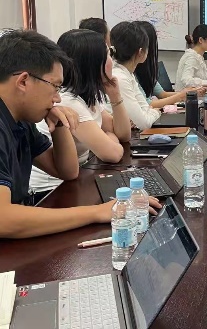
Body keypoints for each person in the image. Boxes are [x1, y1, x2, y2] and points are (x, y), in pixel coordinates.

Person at [0, 30, 160, 239]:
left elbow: (67, 171)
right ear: (23, 82)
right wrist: (97, 212)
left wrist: (60, 124)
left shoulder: (21, 121)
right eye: (55, 87)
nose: (58, 98)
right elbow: (4, 219)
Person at [29, 29, 132, 193]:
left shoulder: (88, 95)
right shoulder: (68, 100)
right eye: (107, 55)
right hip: (52, 190)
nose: (112, 61)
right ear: (92, 63)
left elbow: (124, 135)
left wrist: (115, 96)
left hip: (77, 177)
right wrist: (110, 136)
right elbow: (112, 154)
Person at [133, 21, 205, 109]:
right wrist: (181, 95)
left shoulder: (146, 69)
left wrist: (188, 93)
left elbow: (162, 94)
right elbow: (148, 104)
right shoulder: (131, 74)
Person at [111, 21, 161, 130]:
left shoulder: (128, 73)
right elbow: (144, 123)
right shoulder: (120, 78)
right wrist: (155, 112)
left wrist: (149, 112)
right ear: (140, 52)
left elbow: (145, 108)